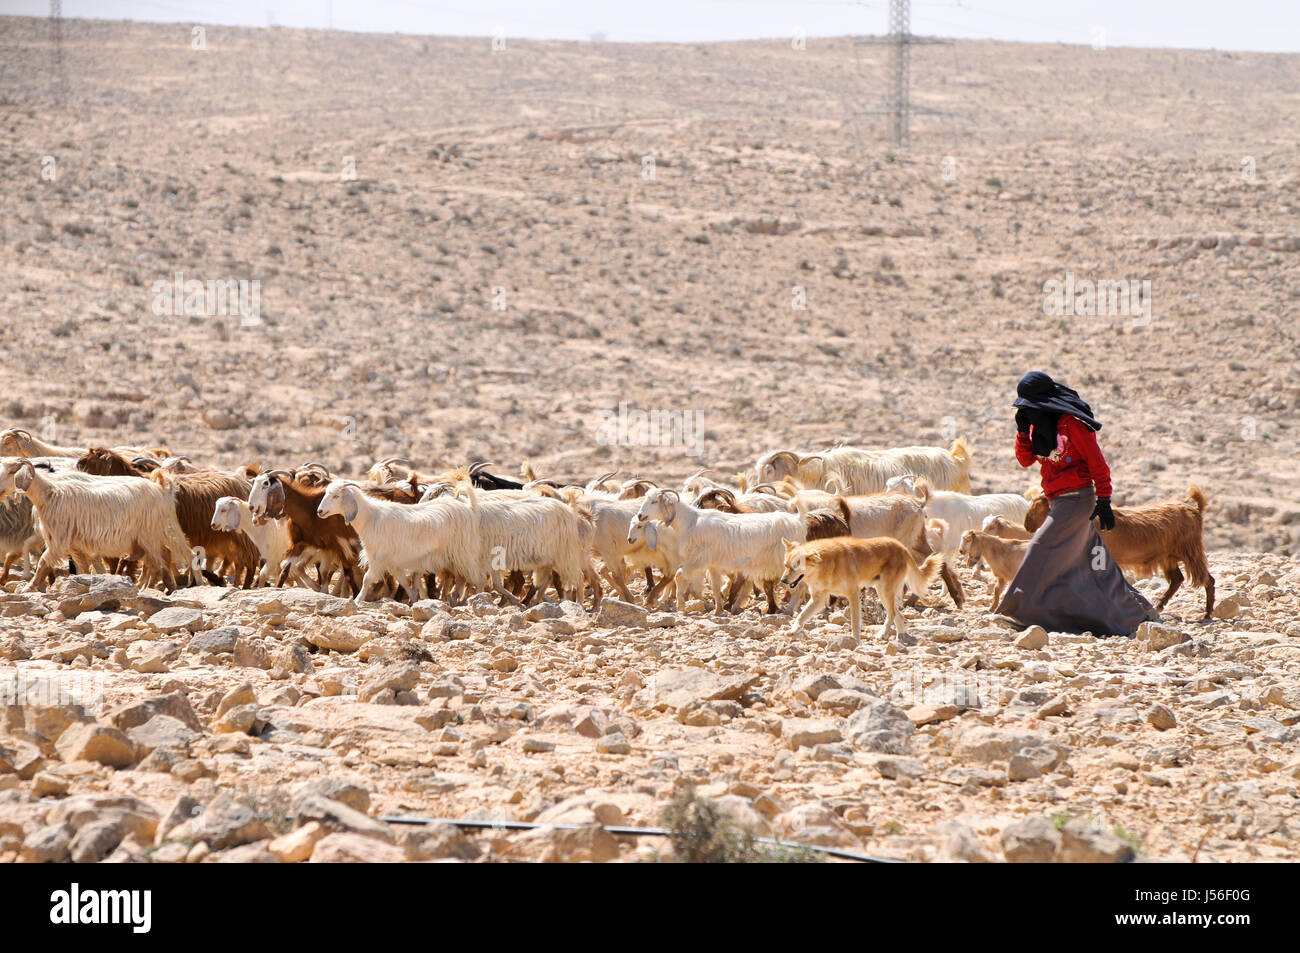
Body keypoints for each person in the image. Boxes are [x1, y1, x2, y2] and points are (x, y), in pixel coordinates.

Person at [995, 370, 1156, 637]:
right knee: (1096, 563)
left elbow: (1098, 463)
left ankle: (1018, 611)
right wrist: (1023, 432)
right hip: (1057, 500)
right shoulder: (1037, 426)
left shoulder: (1073, 425)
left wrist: (1104, 499)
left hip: (1078, 500)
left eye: (1032, 407)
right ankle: (1141, 613)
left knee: (1039, 548)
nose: (1030, 412)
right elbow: (1025, 460)